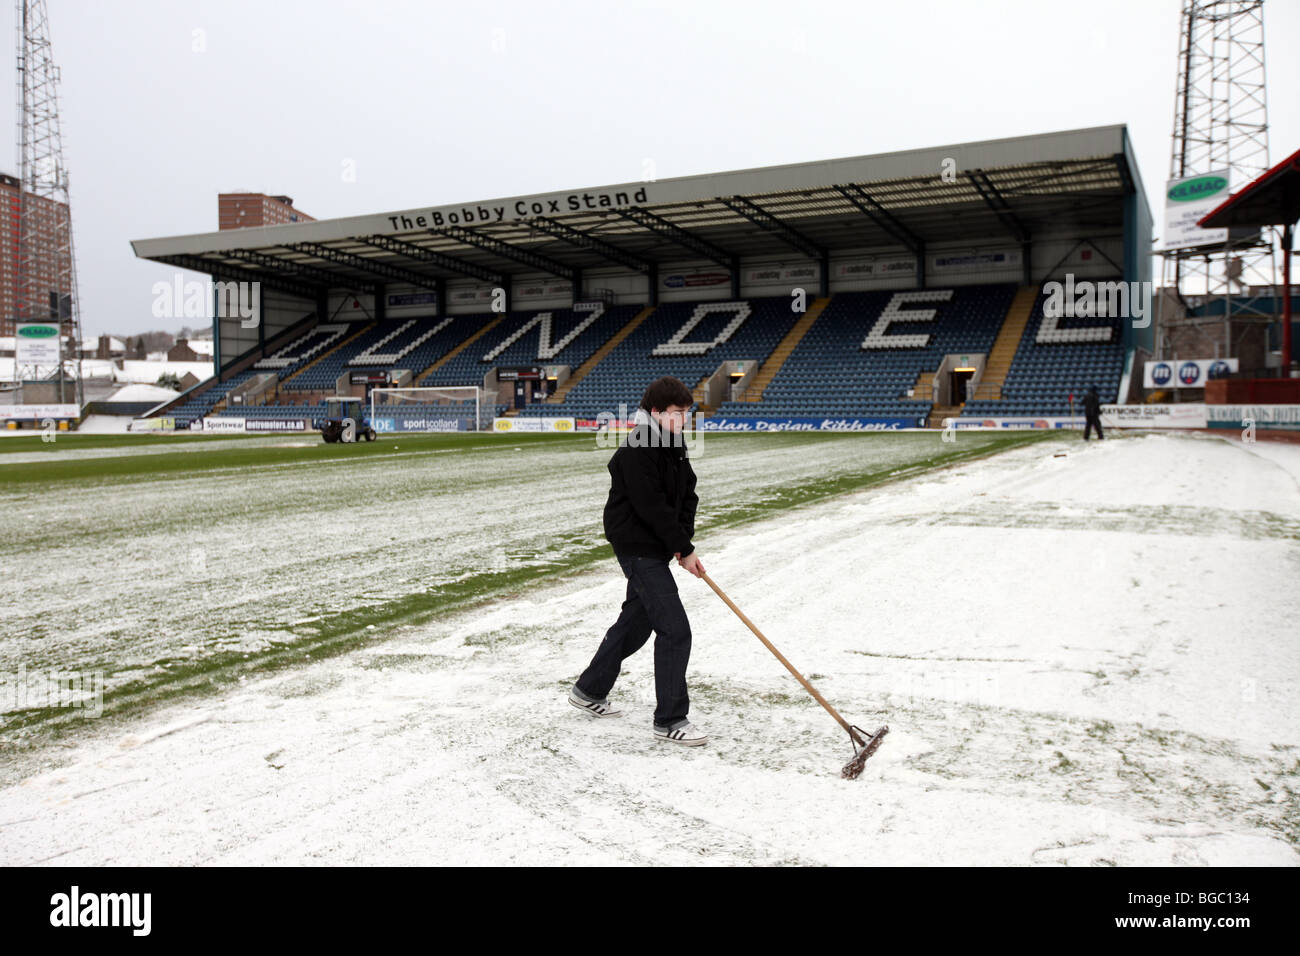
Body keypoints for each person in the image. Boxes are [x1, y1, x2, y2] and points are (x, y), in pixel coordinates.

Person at [568, 376, 708, 746]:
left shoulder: (673, 443)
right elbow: (651, 507)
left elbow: (686, 494)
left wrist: (682, 543)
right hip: (636, 546)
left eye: (688, 413)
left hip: (658, 546)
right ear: (657, 413)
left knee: (636, 624)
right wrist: (683, 547)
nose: (686, 420)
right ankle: (670, 719)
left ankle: (589, 690)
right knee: (675, 629)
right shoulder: (636, 449)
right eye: (679, 413)